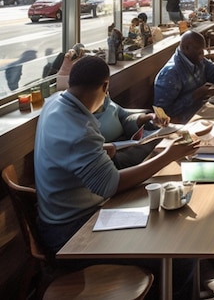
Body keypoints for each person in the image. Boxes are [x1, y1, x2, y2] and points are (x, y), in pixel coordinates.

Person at [34, 56, 198, 255]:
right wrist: (168, 155)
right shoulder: (80, 130)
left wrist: (100, 148)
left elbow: (68, 152)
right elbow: (111, 185)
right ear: (105, 86)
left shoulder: (54, 103)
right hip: (71, 230)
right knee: (174, 244)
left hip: (54, 219)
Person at [153, 30, 214, 122]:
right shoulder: (170, 74)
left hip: (202, 111)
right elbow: (163, 114)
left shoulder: (197, 59)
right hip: (184, 122)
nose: (202, 55)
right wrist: (195, 95)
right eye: (199, 51)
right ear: (186, 48)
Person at [94, 95, 168, 168]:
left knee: (157, 131)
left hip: (125, 142)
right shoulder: (84, 121)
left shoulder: (105, 99)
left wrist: (148, 117)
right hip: (108, 153)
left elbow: (124, 116)